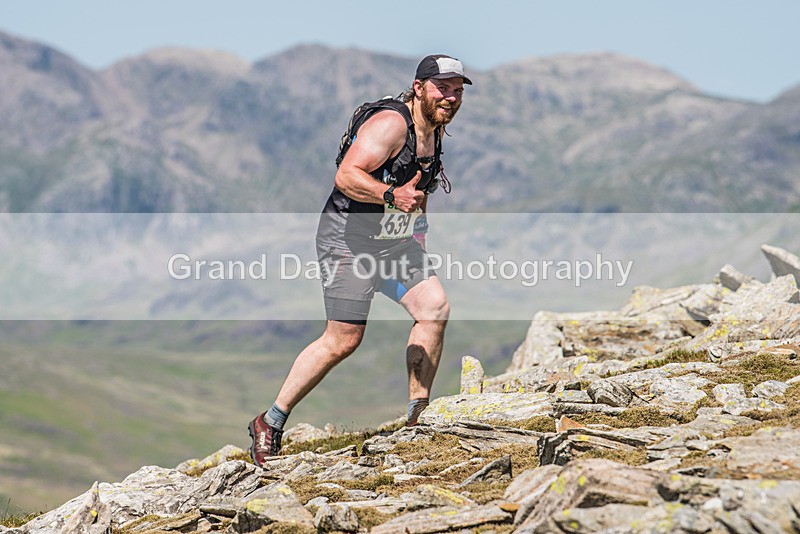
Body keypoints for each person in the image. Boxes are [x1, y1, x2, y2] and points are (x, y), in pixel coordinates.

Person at [248, 54, 471, 466]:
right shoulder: (391, 125)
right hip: (347, 241)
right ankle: (270, 422)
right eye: (443, 88)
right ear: (419, 87)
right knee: (344, 339)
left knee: (434, 307)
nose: (452, 97)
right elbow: (347, 176)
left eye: (458, 90)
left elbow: (417, 194)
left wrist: (417, 234)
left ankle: (417, 419)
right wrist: (391, 196)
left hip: (393, 243)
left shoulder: (434, 129)